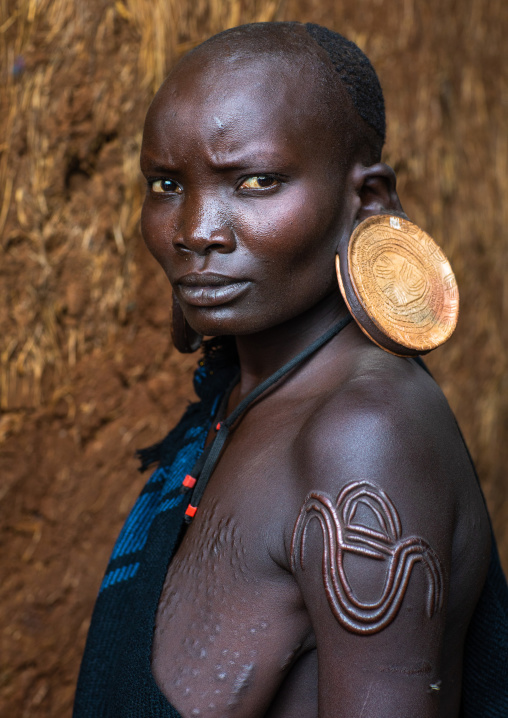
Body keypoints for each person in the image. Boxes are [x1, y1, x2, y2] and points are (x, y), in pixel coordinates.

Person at [73, 22, 508, 718]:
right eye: (165, 183)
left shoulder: (364, 438)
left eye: (256, 181)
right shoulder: (237, 402)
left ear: (365, 200)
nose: (193, 230)